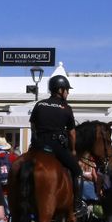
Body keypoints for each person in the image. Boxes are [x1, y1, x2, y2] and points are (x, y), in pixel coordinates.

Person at [29, 75, 82, 208]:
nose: (68, 93)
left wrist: (35, 141)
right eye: (67, 90)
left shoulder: (39, 104)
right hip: (56, 146)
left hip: (38, 146)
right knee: (77, 171)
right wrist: (73, 150)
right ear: (60, 90)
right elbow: (72, 133)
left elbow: (33, 126)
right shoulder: (66, 107)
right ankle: (76, 204)